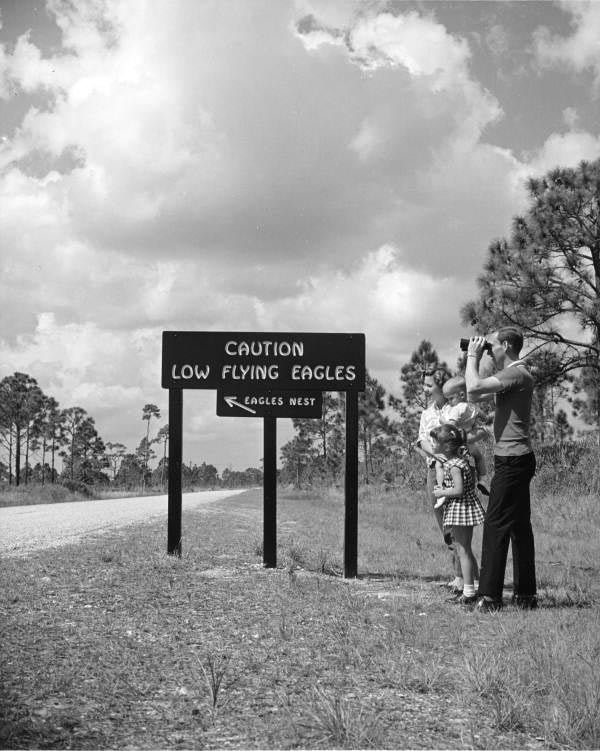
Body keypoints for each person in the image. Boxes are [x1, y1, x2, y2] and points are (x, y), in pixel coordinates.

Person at [465, 327, 537, 612]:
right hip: (516, 459)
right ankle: (525, 595)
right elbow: (476, 396)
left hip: (513, 461)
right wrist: (480, 357)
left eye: (492, 345)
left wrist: (472, 355)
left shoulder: (517, 373)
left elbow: (473, 388)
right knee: (519, 527)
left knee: (496, 524)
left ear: (506, 345)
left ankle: (490, 597)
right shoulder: (514, 375)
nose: (488, 349)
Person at [415, 366, 463, 592]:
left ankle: (465, 576)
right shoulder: (426, 414)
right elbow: (422, 442)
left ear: (441, 386)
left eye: (428, 385)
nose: (424, 389)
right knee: (444, 522)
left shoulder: (456, 409)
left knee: (458, 522)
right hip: (434, 471)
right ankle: (458, 575)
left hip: (456, 469)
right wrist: (437, 458)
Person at [429, 424, 485, 605]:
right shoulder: (460, 461)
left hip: (460, 509)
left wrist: (442, 492)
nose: (432, 443)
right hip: (465, 508)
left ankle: (468, 592)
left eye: (434, 441)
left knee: (463, 550)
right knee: (466, 549)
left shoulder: (453, 465)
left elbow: (459, 490)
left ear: (445, 447)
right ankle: (476, 586)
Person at [441, 375, 490, 495]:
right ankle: (483, 480)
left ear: (462, 395)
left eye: (451, 398)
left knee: (451, 465)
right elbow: (484, 416)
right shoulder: (471, 406)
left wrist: (442, 420)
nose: (449, 402)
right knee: (478, 457)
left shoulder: (457, 408)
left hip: (458, 440)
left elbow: (450, 425)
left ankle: (445, 485)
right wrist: (485, 420)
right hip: (469, 439)